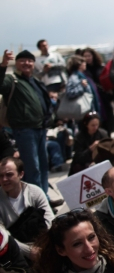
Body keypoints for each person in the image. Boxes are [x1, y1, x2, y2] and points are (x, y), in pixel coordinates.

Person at [0, 50, 51, 194]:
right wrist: (3, 65)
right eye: (22, 60)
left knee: (43, 166)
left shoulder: (35, 81)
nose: (26, 63)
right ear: (16, 63)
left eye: (29, 61)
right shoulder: (12, 80)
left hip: (40, 129)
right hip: (25, 130)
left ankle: (44, 197)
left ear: (34, 64)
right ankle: (36, 201)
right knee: (32, 167)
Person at [0, 157, 54, 259]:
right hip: (16, 253)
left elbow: (50, 221)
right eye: (1, 176)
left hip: (44, 243)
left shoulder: (35, 192)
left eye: (9, 174)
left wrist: (45, 246)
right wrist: (30, 252)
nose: (4, 179)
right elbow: (4, 237)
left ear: (21, 174)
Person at [82, 47, 114, 133]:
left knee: (107, 123)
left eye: (89, 55)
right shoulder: (83, 72)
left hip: (104, 98)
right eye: (85, 56)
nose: (87, 58)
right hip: (91, 100)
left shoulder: (100, 67)